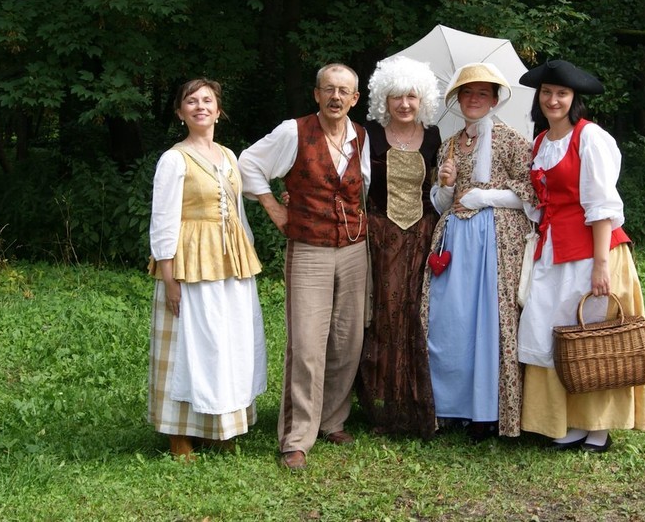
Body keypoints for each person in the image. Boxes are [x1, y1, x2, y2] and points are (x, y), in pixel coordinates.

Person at [238, 63, 371, 471]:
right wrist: (273, 205)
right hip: (310, 248)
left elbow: (364, 188)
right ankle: (296, 437)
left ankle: (332, 420)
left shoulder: (361, 136)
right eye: (328, 89)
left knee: (348, 340)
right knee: (307, 343)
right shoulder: (292, 132)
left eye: (343, 91)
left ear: (355, 99)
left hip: (355, 248)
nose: (335, 97)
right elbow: (247, 163)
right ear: (316, 94)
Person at [516, 59, 645, 453]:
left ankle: (598, 428)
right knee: (556, 333)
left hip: (592, 251)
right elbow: (541, 202)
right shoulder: (541, 143)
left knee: (593, 335)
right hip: (553, 250)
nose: (552, 100)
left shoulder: (590, 137)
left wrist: (600, 266)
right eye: (546, 93)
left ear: (574, 98)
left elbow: (602, 205)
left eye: (561, 93)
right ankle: (569, 423)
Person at [147, 78, 267, 461]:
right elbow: (163, 220)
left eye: (207, 100)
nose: (200, 106)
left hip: (231, 260)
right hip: (190, 261)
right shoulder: (174, 160)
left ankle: (218, 427)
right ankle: (179, 433)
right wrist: (169, 276)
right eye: (191, 101)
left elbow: (238, 211)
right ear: (180, 112)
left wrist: (245, 253)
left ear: (218, 110)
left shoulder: (229, 156)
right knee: (191, 344)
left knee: (225, 342)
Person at [420, 62, 534, 441]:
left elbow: (531, 197)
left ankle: (487, 412)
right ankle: (451, 405)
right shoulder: (450, 145)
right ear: (457, 99)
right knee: (451, 320)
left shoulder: (511, 140)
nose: (473, 99)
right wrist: (445, 185)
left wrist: (485, 197)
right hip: (455, 241)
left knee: (489, 321)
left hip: (495, 243)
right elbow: (441, 204)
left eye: (482, 93)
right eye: (467, 93)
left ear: (494, 100)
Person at [355, 55, 442, 440]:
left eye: (411, 96)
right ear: (383, 99)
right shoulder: (367, 135)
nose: (404, 104)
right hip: (380, 237)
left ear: (422, 99)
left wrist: (447, 181)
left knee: (417, 313)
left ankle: (416, 399)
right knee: (383, 315)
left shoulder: (436, 138)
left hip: (423, 236)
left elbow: (441, 194)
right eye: (396, 97)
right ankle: (382, 401)